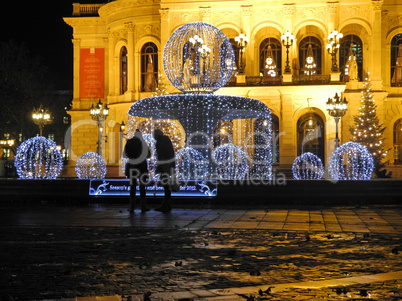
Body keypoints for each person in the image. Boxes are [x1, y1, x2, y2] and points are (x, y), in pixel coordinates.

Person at [123, 129, 151, 213]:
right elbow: (149, 155)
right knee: (142, 187)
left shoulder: (129, 142)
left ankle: (132, 207)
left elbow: (125, 154)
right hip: (142, 167)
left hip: (132, 166)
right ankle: (143, 206)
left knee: (133, 186)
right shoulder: (143, 143)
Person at [153, 128, 175, 212]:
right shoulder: (165, 140)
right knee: (166, 186)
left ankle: (165, 206)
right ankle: (166, 205)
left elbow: (161, 155)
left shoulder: (160, 141)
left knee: (166, 186)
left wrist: (159, 167)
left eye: (154, 135)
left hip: (165, 166)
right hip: (167, 165)